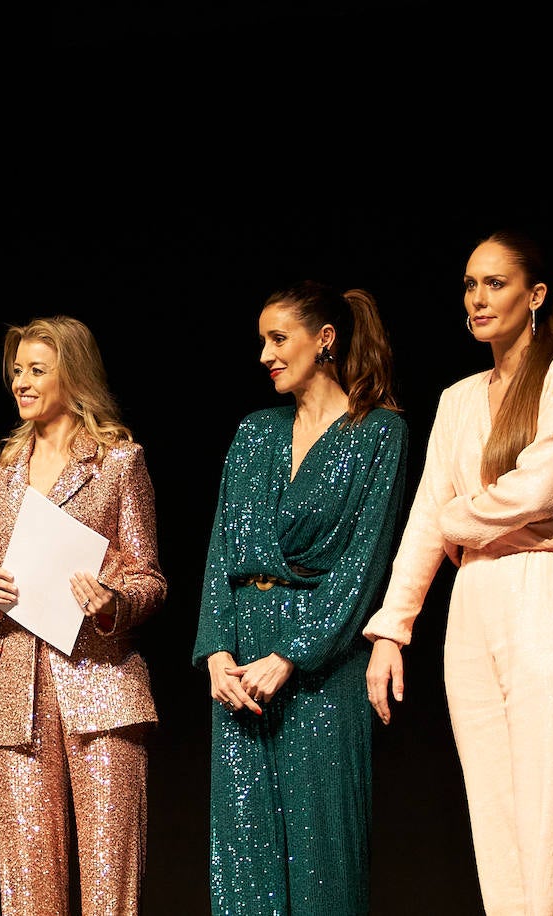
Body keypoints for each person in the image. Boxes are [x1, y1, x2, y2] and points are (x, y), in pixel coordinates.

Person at [365, 230, 553, 915]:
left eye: (494, 284)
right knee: (495, 825)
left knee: (550, 823)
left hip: (547, 586)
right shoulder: (459, 397)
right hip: (474, 601)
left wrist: (457, 517)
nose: (477, 297)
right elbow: (424, 519)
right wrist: (392, 631)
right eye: (470, 284)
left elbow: (539, 492)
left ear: (534, 296)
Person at [192, 281, 408, 915]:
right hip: (240, 668)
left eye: (278, 339)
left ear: (325, 339)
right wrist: (216, 653)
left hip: (320, 666)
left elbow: (363, 567)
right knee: (242, 851)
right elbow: (220, 551)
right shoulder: (256, 431)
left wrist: (291, 654)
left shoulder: (379, 435)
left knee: (323, 851)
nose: (265, 354)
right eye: (262, 341)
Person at [0, 315, 166, 915]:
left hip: (102, 684)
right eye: (17, 372)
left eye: (37, 370)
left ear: (73, 375)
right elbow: (0, 596)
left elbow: (151, 581)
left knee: (111, 883)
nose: (21, 383)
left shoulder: (117, 463)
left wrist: (114, 602)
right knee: (28, 885)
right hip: (19, 693)